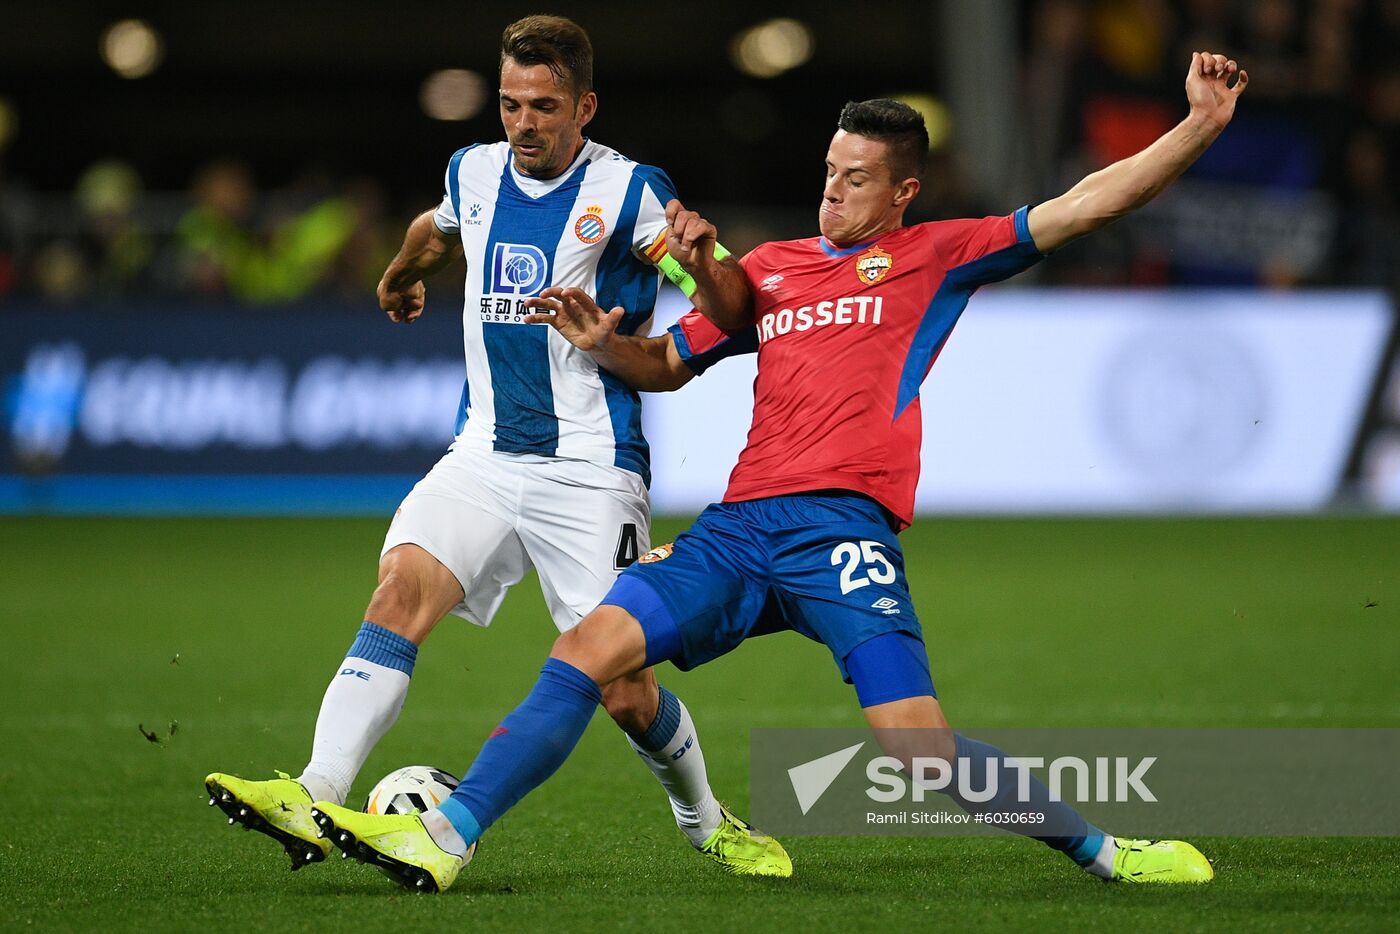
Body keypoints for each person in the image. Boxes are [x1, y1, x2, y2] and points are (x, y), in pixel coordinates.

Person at [309, 51, 1249, 892]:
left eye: (855, 179)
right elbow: (669, 366)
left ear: (903, 193)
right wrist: (603, 345)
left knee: (916, 747)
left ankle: (1107, 854)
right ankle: (446, 838)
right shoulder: (771, 269)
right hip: (741, 527)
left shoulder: (935, 257)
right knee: (588, 654)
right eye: (829, 172)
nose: (832, 192)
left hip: (842, 532)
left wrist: (1200, 124)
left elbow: (1090, 202)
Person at [203, 13, 788, 879]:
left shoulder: (629, 192)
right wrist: (402, 273)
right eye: (512, 103)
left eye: (544, 106)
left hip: (591, 467)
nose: (523, 123)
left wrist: (703, 264)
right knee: (398, 593)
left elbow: (734, 304)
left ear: (584, 106)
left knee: (624, 686)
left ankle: (705, 818)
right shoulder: (472, 168)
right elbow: (438, 229)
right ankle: (313, 791)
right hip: (482, 453)